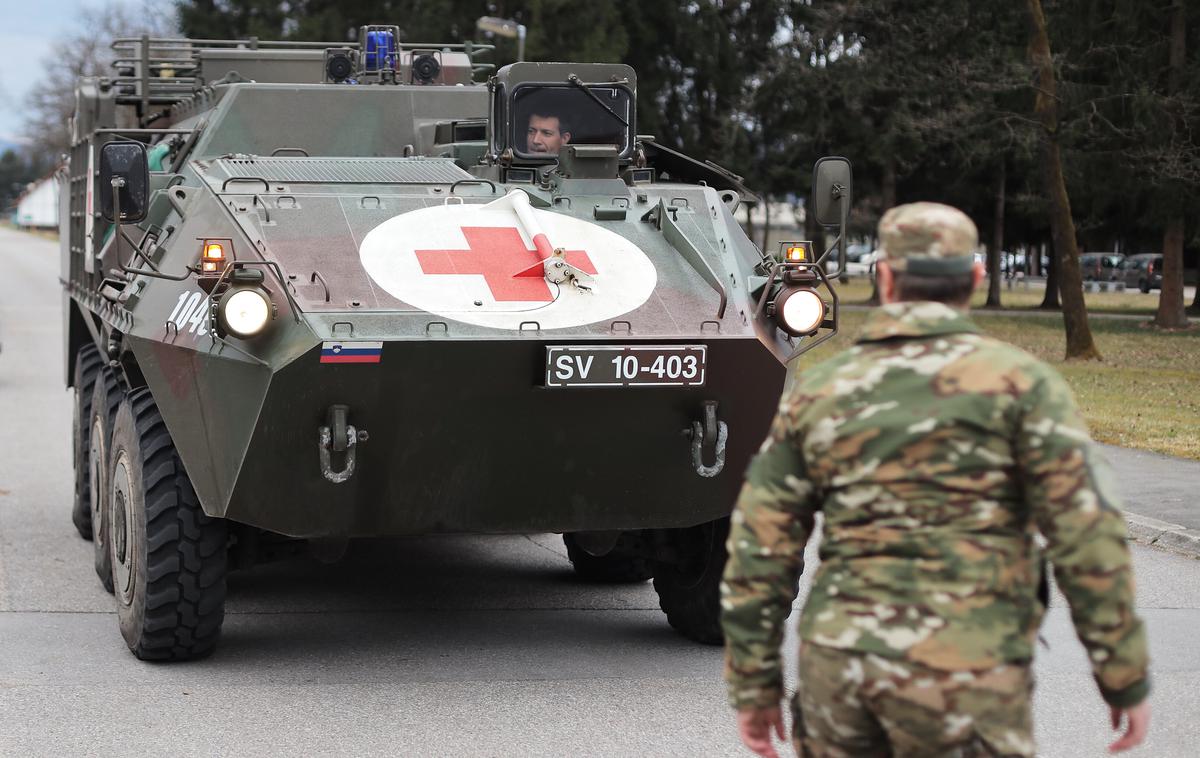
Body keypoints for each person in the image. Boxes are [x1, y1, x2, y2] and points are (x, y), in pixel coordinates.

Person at [721, 202, 1150, 757]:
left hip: (843, 676)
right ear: (974, 278)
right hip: (970, 672)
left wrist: (754, 687)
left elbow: (761, 546)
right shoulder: (1025, 389)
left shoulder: (822, 394)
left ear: (886, 278)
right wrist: (1122, 675)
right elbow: (1088, 538)